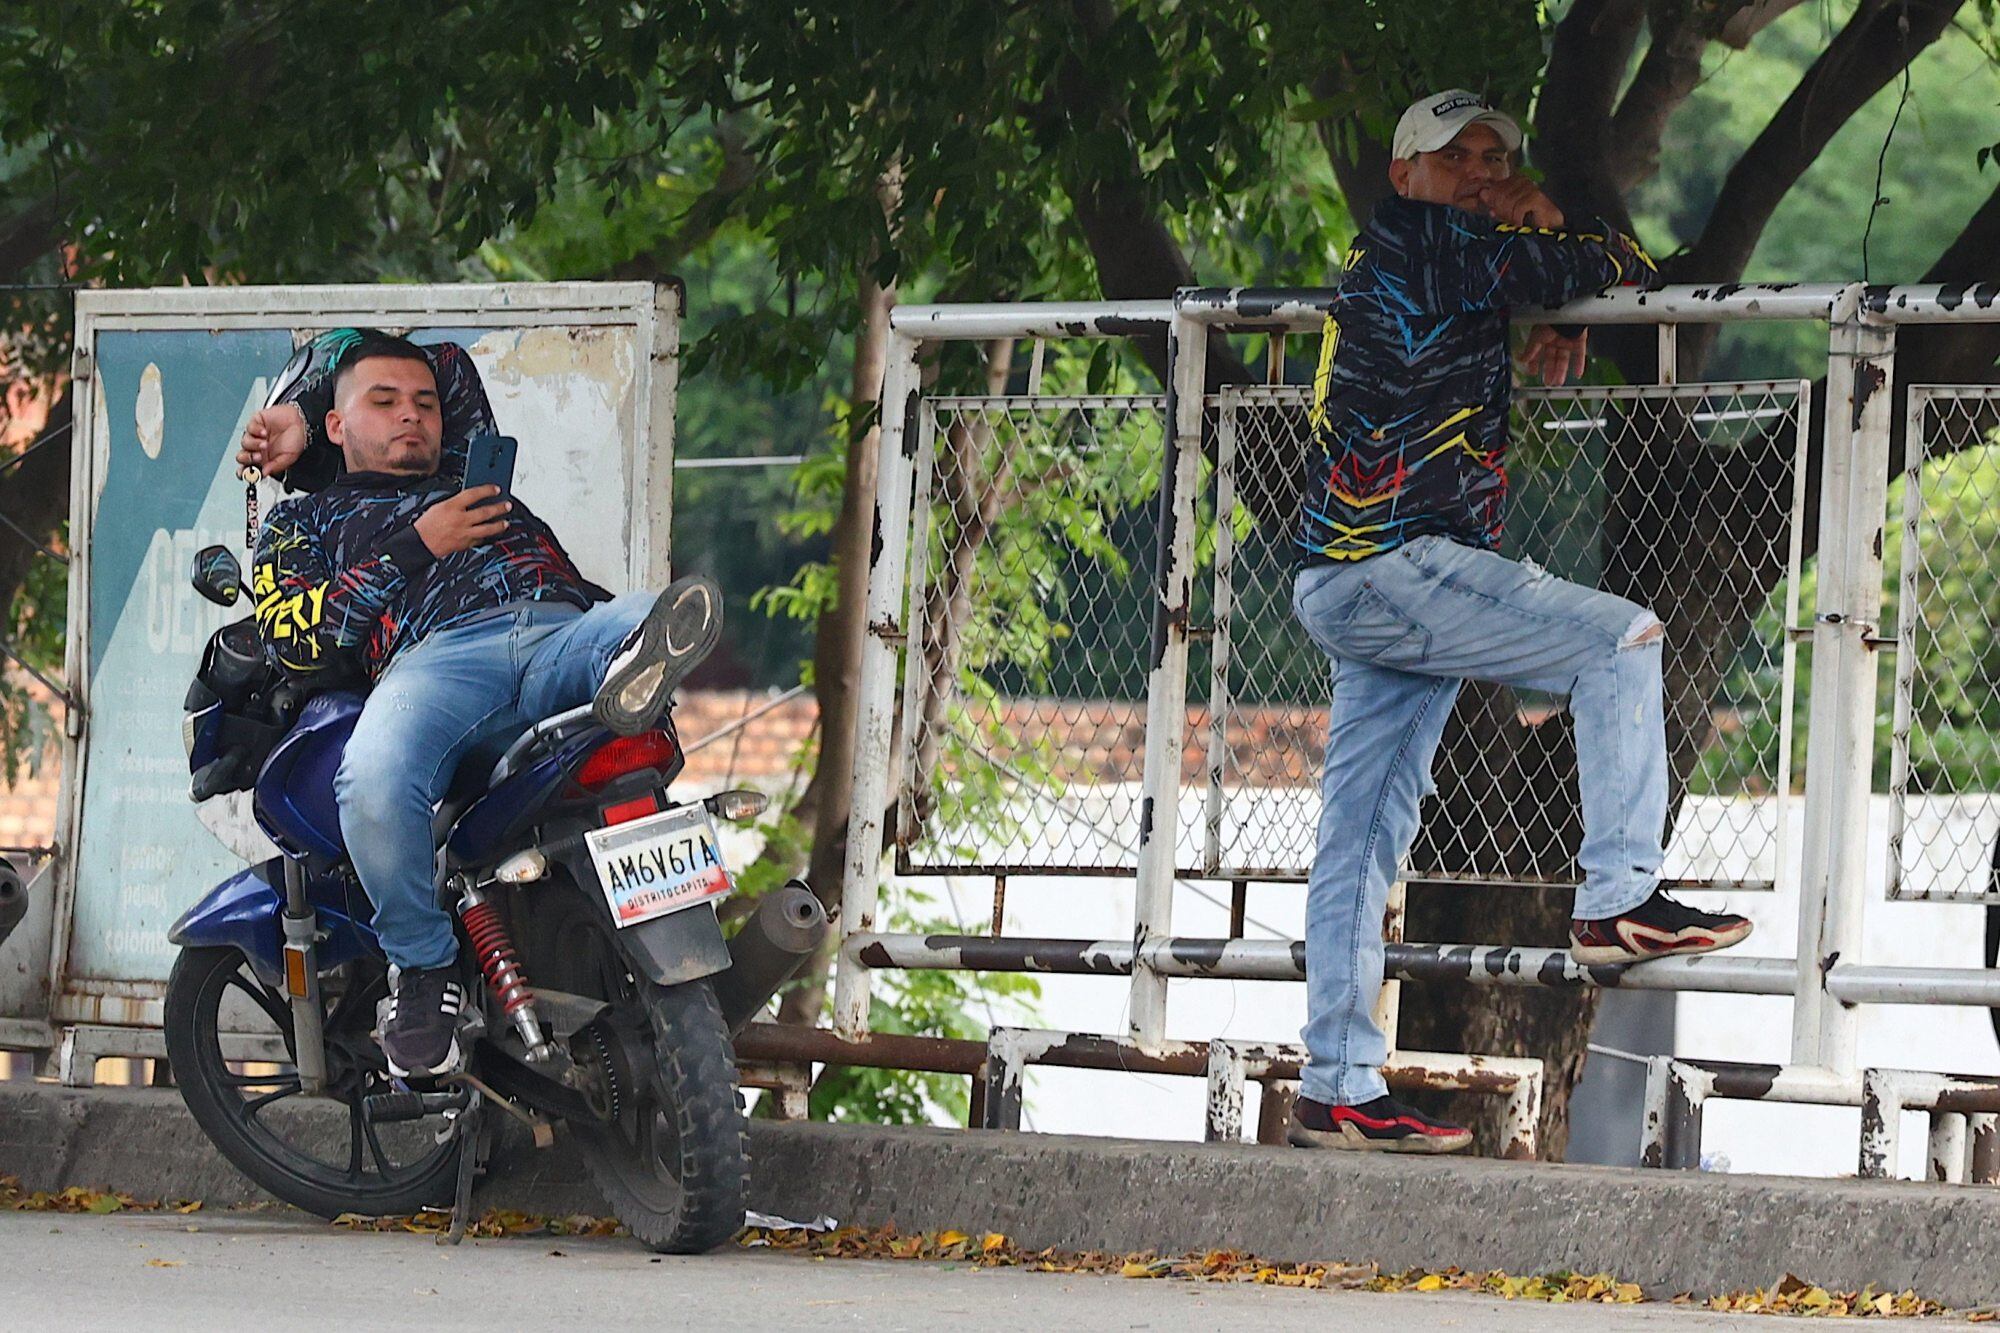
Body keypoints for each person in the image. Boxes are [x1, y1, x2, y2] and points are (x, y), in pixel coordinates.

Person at [1286, 90, 1752, 1154]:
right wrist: (1541, 227)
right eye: (1457, 157)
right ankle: (1617, 898)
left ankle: (1337, 1084)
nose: (1482, 170)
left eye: (1498, 154)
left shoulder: (1418, 256)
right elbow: (1608, 260)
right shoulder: (1433, 241)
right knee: (1620, 637)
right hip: (1396, 566)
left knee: (1359, 844)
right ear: (1403, 172)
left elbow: (1541, 282)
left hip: (1349, 577)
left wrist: (1536, 297)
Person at [244, 331, 719, 1079]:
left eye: (423, 405)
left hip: (563, 626)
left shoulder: (468, 465)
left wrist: (304, 406)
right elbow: (298, 638)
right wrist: (416, 545)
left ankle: (635, 669)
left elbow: (446, 361)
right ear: (339, 427)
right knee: (368, 782)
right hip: (436, 664)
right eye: (384, 402)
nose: (413, 415)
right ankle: (423, 970)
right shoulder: (301, 524)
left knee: (645, 616)